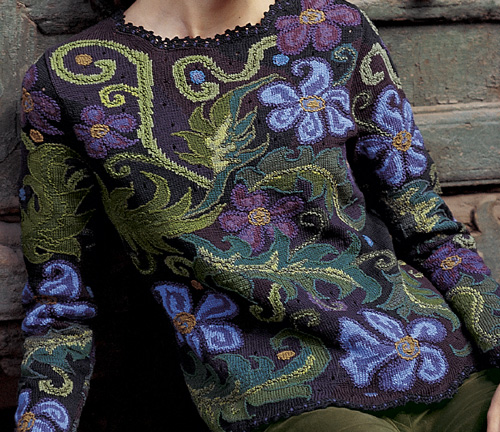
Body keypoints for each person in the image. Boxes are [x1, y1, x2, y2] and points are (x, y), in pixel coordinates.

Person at [15, 0, 500, 431]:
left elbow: (432, 232)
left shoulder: (335, 28)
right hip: (281, 397)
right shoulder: (66, 82)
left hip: (442, 357)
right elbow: (58, 303)